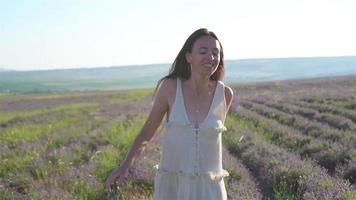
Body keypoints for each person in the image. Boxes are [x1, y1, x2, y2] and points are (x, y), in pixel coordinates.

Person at [105, 28, 234, 200]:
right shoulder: (170, 88)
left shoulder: (225, 95)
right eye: (203, 51)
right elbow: (146, 133)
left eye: (215, 53)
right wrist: (124, 167)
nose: (210, 57)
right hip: (173, 189)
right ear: (189, 57)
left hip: (210, 191)